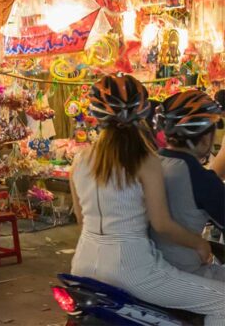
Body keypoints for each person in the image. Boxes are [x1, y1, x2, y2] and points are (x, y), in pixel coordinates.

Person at [69, 75, 225, 323]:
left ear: (97, 117)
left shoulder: (79, 161)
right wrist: (199, 244)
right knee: (222, 301)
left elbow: (80, 218)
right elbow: (161, 224)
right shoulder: (145, 161)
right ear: (141, 114)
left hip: (82, 264)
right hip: (131, 269)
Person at [152, 90, 225, 281]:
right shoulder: (199, 177)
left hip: (151, 266)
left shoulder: (151, 163)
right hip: (184, 273)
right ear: (205, 139)